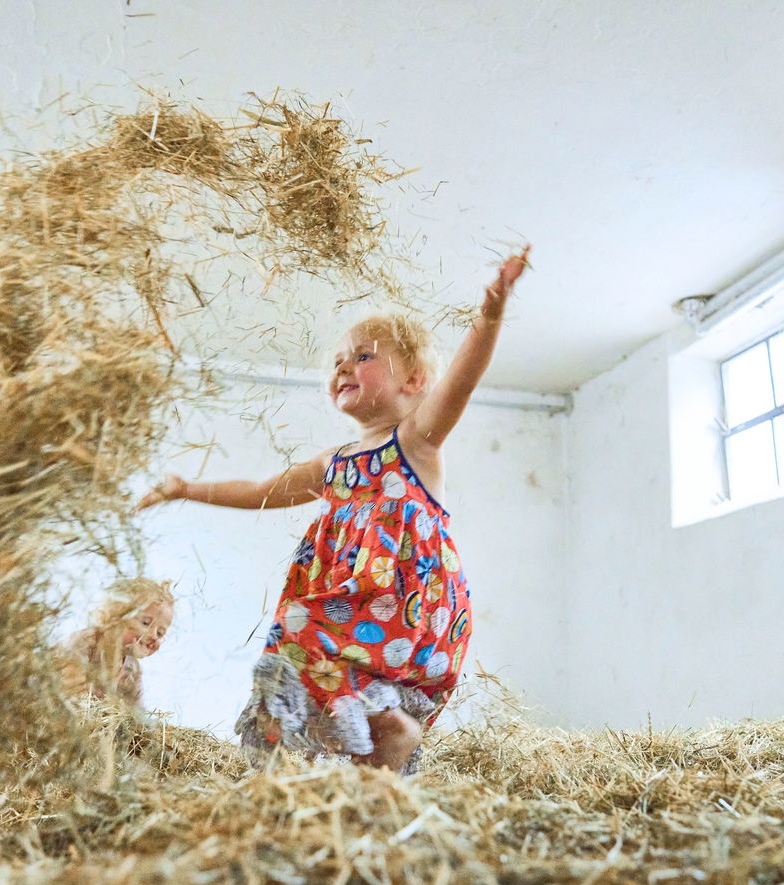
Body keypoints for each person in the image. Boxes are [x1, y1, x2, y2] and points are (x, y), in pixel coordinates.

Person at [139, 248, 530, 771]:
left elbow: (461, 380)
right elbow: (262, 490)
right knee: (326, 682)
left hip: (400, 594)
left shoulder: (415, 441)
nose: (345, 365)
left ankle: (380, 735)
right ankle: (386, 742)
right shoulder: (333, 464)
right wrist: (187, 488)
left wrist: (491, 312)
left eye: (364, 356)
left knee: (299, 634)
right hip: (353, 605)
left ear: (413, 381)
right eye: (339, 361)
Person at [57, 577, 174, 707]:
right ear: (114, 617)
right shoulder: (85, 642)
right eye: (145, 623)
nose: (153, 635)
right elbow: (72, 692)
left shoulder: (132, 669)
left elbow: (136, 716)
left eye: (160, 633)